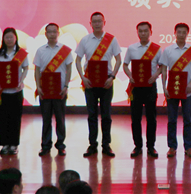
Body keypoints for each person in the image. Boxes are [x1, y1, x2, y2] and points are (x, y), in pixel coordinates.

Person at [75, 12, 122, 157]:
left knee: (106, 115)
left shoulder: (111, 40)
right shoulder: (85, 40)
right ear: (90, 24)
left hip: (106, 81)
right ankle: (92, 145)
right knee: (92, 115)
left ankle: (106, 145)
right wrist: (83, 77)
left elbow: (119, 60)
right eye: (94, 21)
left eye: (99, 21)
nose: (97, 24)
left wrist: (112, 77)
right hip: (89, 81)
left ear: (104, 22)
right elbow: (78, 60)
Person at [159, 22, 191, 158]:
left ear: (187, 34)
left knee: (188, 120)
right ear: (175, 33)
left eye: (184, 32)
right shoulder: (168, 50)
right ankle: (172, 147)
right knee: (172, 120)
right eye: (179, 32)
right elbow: (164, 70)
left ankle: (188, 147)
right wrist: (164, 87)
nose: (181, 35)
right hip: (172, 90)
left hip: (188, 90)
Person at [123, 21, 162, 158]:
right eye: (140, 31)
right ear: (137, 32)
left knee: (151, 118)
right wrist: (130, 76)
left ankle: (151, 146)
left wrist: (155, 76)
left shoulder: (156, 49)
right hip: (136, 88)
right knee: (135, 118)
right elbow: (125, 65)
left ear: (151, 32)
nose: (143, 33)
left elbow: (162, 66)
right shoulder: (132, 48)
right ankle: (137, 146)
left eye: (146, 31)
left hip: (150, 87)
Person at [34, 23, 74, 156]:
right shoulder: (40, 51)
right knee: (46, 119)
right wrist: (38, 87)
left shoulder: (65, 50)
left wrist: (66, 86)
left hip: (60, 90)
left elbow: (69, 69)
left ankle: (61, 145)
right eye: (49, 32)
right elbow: (37, 70)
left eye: (54, 32)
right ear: (45, 34)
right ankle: (45, 145)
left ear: (58, 33)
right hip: (45, 90)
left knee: (60, 119)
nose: (52, 34)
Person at [0, 27, 29, 156]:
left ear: (15, 38)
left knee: (15, 117)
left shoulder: (21, 53)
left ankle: (14, 144)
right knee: (3, 117)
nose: (9, 39)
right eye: (6, 37)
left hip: (16, 91)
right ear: (3, 39)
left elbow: (26, 68)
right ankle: (5, 144)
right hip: (2, 91)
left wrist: (21, 81)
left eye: (11, 37)